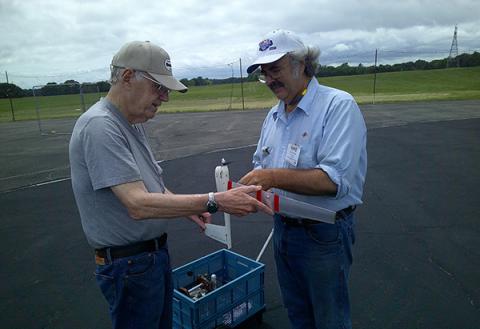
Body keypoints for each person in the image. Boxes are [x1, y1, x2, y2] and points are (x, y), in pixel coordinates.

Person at [69, 40, 273, 329]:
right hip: (130, 266)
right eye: (158, 87)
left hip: (148, 260)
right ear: (128, 77)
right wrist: (215, 200)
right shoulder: (101, 126)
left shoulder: (132, 123)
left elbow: (153, 187)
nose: (164, 97)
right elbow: (137, 204)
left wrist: (184, 209)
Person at [239, 30, 367, 329]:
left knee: (329, 319)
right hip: (284, 229)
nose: (269, 79)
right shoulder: (274, 115)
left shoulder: (338, 106)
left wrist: (269, 176)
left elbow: (333, 181)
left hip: (323, 235)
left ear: (301, 64)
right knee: (297, 314)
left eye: (275, 69)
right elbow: (260, 164)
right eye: (264, 73)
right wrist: (246, 192)